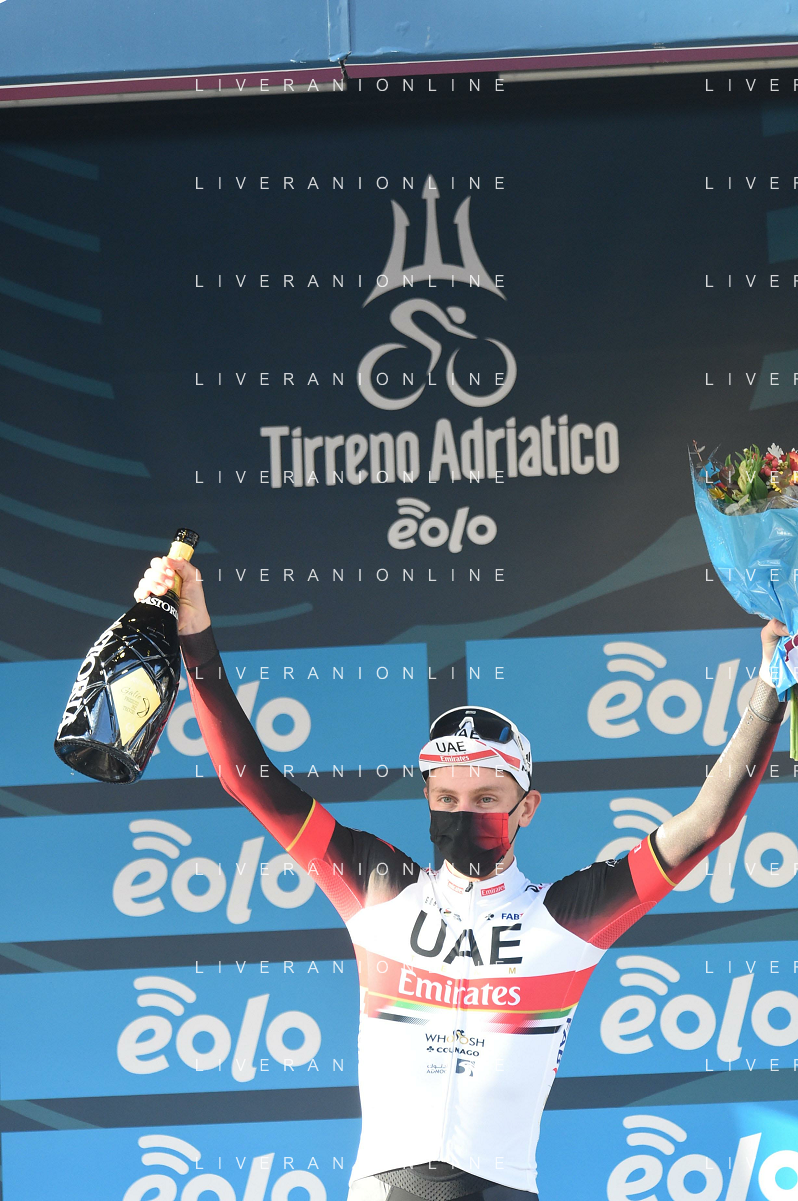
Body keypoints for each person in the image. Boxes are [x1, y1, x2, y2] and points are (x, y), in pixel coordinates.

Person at [135, 554, 789, 1201]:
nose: (463, 813)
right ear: (426, 799)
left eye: (485, 799)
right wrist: (195, 635)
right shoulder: (378, 886)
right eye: (446, 798)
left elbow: (707, 823)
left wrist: (770, 686)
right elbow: (249, 782)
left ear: (527, 807)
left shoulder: (568, 913)